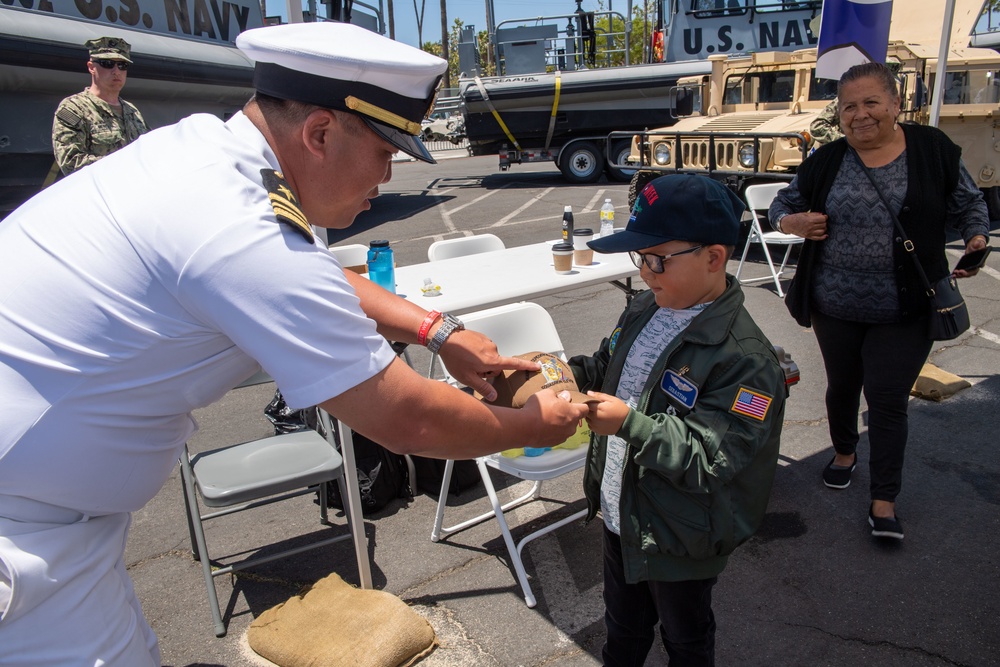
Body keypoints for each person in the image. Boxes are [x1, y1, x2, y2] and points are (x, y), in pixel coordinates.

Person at [0, 23, 589, 666]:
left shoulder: (211, 159)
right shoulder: (238, 227)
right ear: (319, 133)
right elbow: (409, 420)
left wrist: (437, 331)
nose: (388, 176)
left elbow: (314, 276)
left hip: (51, 520)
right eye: (387, 152)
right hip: (22, 536)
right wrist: (531, 424)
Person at [569, 174, 787, 667]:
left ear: (713, 257)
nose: (645, 273)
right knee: (622, 629)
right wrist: (564, 372)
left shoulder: (747, 359)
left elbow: (714, 456)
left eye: (657, 260)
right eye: (639, 259)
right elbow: (610, 365)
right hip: (621, 509)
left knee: (686, 637)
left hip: (682, 534)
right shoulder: (648, 305)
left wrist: (630, 424)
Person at [769, 62, 989, 541]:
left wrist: (975, 236)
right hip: (835, 303)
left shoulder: (932, 150)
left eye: (871, 103)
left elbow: (969, 202)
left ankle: (884, 499)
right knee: (842, 385)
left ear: (894, 104)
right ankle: (845, 453)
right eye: (849, 106)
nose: (860, 115)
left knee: (887, 400)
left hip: (906, 307)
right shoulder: (826, 160)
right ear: (839, 113)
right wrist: (793, 224)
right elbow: (781, 205)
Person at [51, 36, 149, 176]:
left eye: (122, 65)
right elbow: (71, 162)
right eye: (107, 63)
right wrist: (124, 168)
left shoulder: (133, 112)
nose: (116, 71)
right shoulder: (74, 108)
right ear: (91, 67)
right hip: (99, 193)